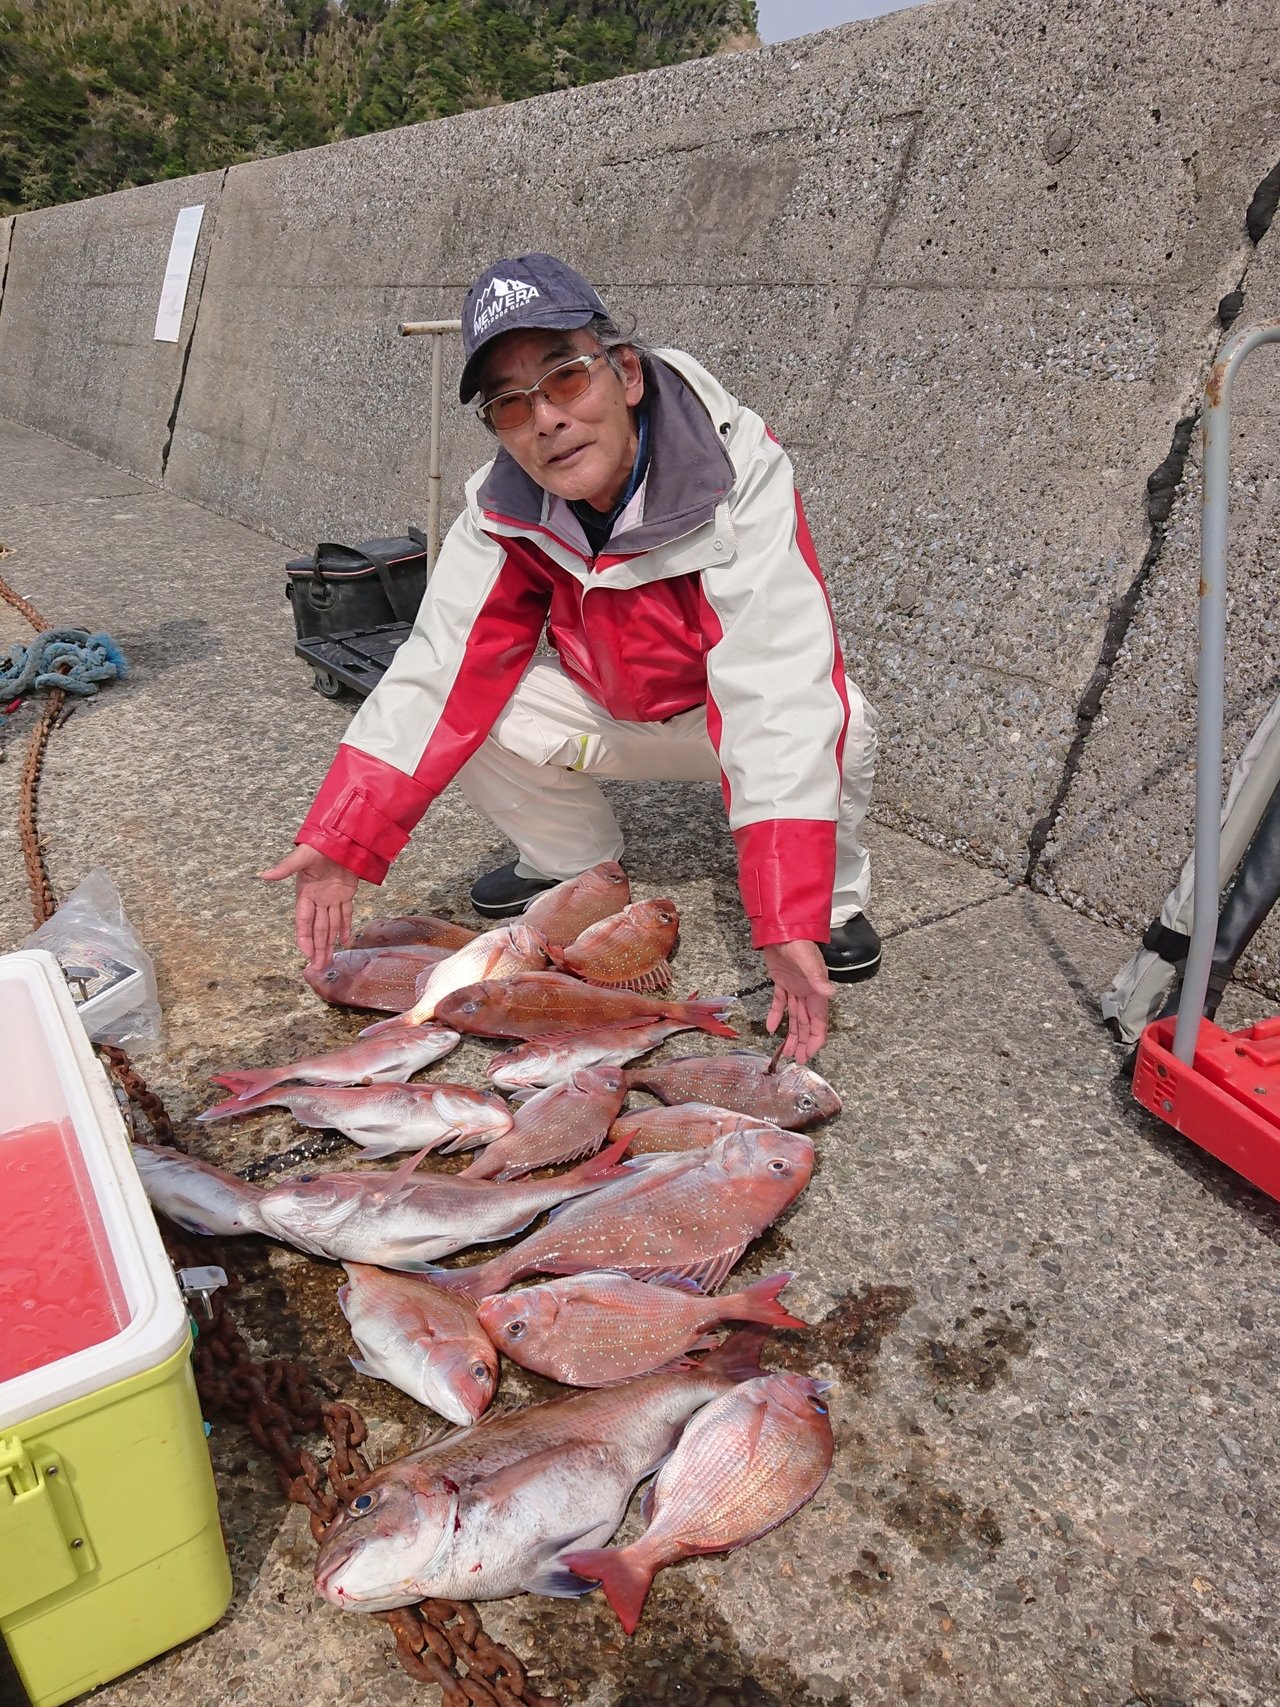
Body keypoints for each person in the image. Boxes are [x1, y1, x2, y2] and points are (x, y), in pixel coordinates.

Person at [264, 253, 880, 1064]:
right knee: (472, 709)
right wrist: (344, 838)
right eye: (511, 405)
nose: (545, 419)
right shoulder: (503, 505)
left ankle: (827, 905)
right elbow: (441, 667)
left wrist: (783, 913)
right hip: (604, 703)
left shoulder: (735, 469)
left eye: (564, 379)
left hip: (714, 715)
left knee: (841, 717)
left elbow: (773, 687)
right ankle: (575, 872)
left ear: (625, 372)